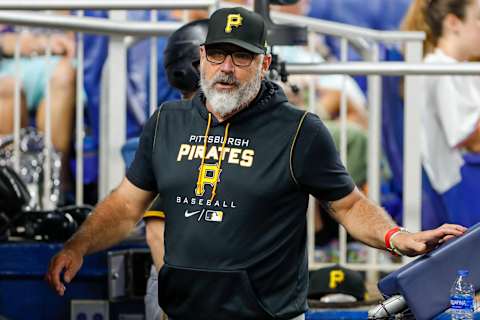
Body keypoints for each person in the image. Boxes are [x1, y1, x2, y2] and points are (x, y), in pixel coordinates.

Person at [47, 7, 466, 320]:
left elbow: (349, 206)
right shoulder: (166, 122)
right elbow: (125, 204)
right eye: (218, 55)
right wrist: (78, 245)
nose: (226, 68)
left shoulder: (299, 129)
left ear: (264, 64)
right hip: (183, 313)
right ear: (201, 57)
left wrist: (398, 237)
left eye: (241, 57)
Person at [143, 18, 209, 320]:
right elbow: (157, 231)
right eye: (216, 57)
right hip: (180, 283)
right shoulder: (178, 128)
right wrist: (177, 303)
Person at [401, 0, 480, 226]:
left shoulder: (460, 68)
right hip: (462, 185)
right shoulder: (440, 69)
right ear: (453, 23)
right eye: (478, 18)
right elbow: (470, 139)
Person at [0, 24, 76, 193]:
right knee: (7, 88)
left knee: (64, 76)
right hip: (5, 59)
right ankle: (12, 192)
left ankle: (54, 187)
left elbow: (70, 26)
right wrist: (25, 43)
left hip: (53, 59)